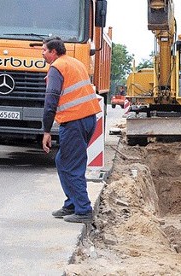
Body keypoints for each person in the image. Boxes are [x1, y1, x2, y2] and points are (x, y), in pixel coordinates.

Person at [40, 37, 102, 223]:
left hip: (74, 120)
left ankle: (83, 209)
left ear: (53, 52)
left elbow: (51, 100)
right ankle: (72, 203)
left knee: (70, 165)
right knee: (63, 161)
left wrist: (46, 130)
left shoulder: (57, 67)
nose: (42, 53)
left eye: (44, 50)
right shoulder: (75, 63)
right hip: (88, 118)